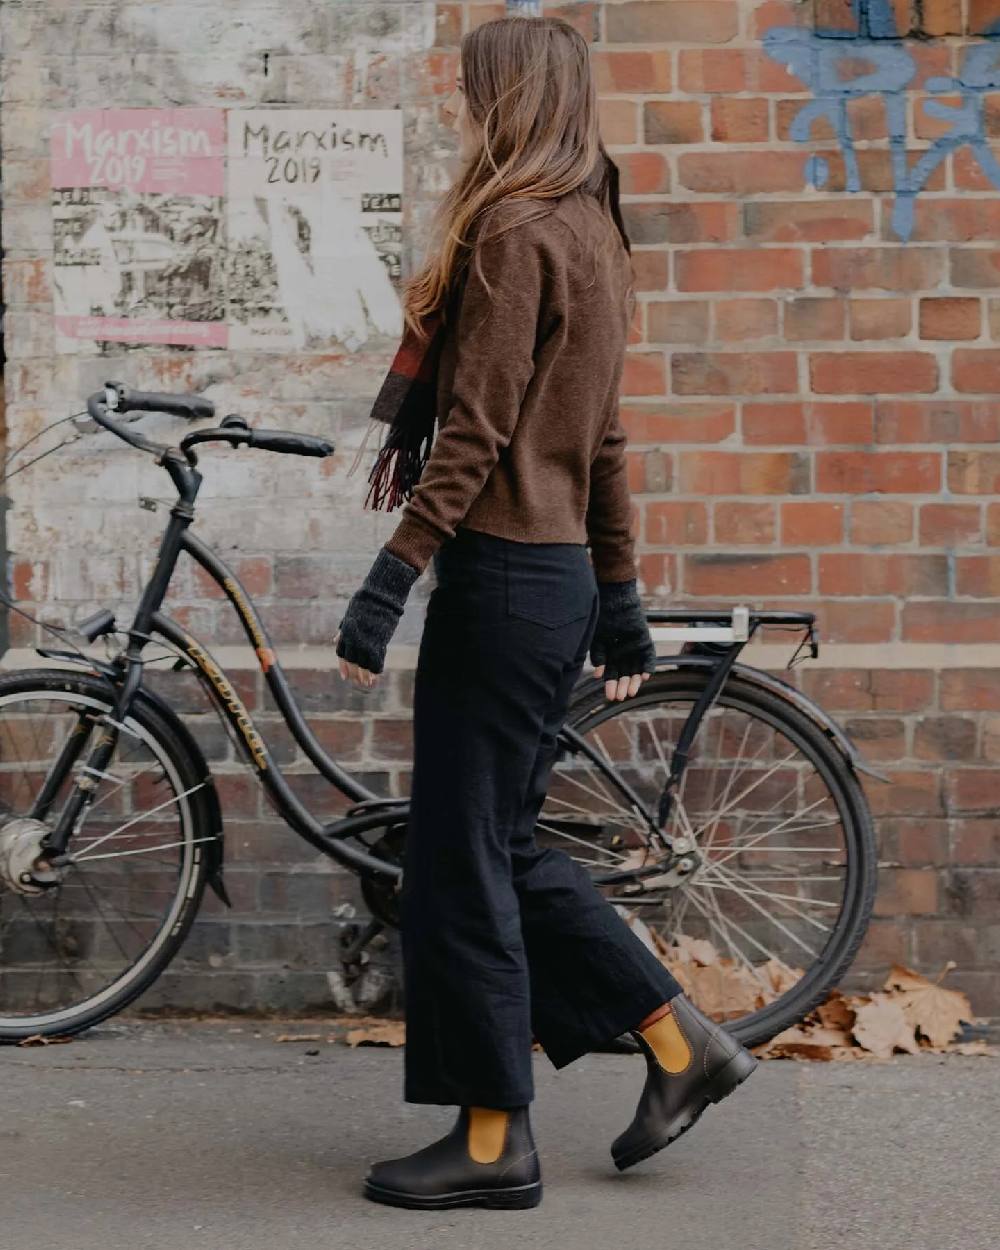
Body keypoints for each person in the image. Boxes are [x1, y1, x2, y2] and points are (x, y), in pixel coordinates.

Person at [333, 14, 756, 1212]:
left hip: (503, 576)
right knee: (502, 842)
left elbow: (474, 427)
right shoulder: (594, 228)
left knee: (461, 862)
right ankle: (680, 1041)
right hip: (554, 577)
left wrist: (395, 567)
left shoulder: (514, 229)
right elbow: (604, 440)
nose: (462, 110)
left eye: (472, 92)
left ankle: (490, 1138)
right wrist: (615, 594)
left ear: (507, 99)